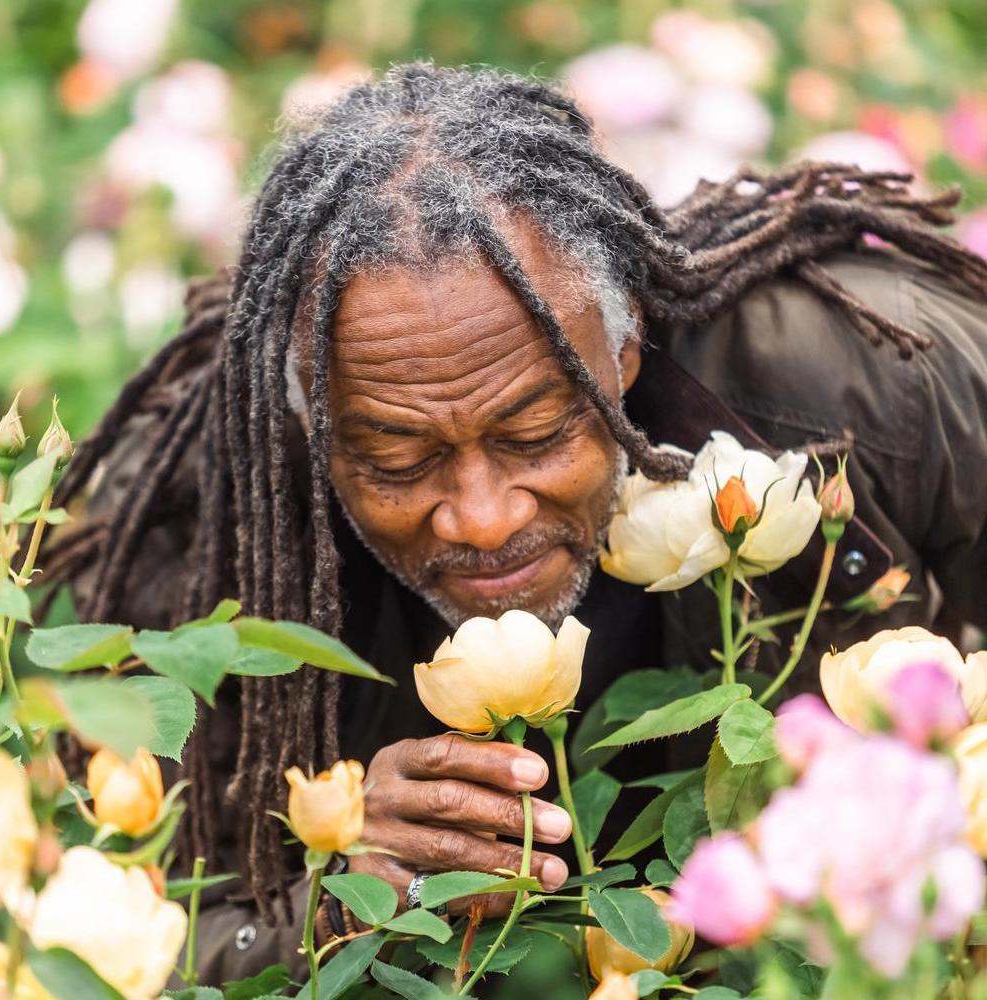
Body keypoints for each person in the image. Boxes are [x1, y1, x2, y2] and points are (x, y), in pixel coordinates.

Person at [52, 63, 987, 983]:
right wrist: (331, 895)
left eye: (537, 433)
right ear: (310, 419)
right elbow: (101, 934)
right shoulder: (204, 512)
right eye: (396, 462)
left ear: (623, 350)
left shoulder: (871, 378)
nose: (484, 521)